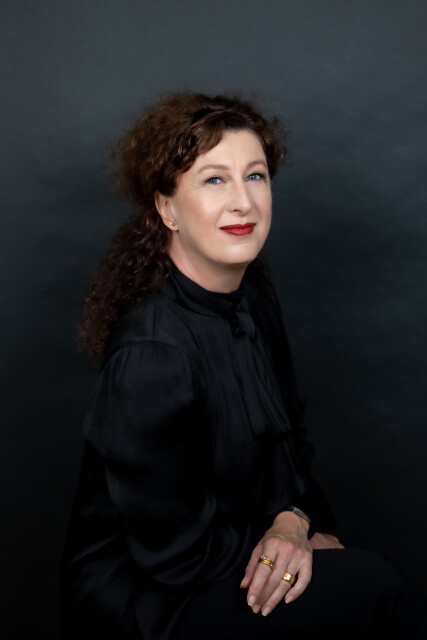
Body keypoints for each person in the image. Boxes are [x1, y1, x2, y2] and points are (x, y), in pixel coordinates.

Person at [61, 91, 426, 640]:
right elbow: (174, 550)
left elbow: (291, 443)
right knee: (376, 587)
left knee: (366, 584)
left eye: (255, 176)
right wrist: (294, 552)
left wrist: (295, 523)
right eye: (214, 180)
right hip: (151, 603)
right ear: (166, 208)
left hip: (232, 559)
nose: (243, 202)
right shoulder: (153, 354)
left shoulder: (253, 298)